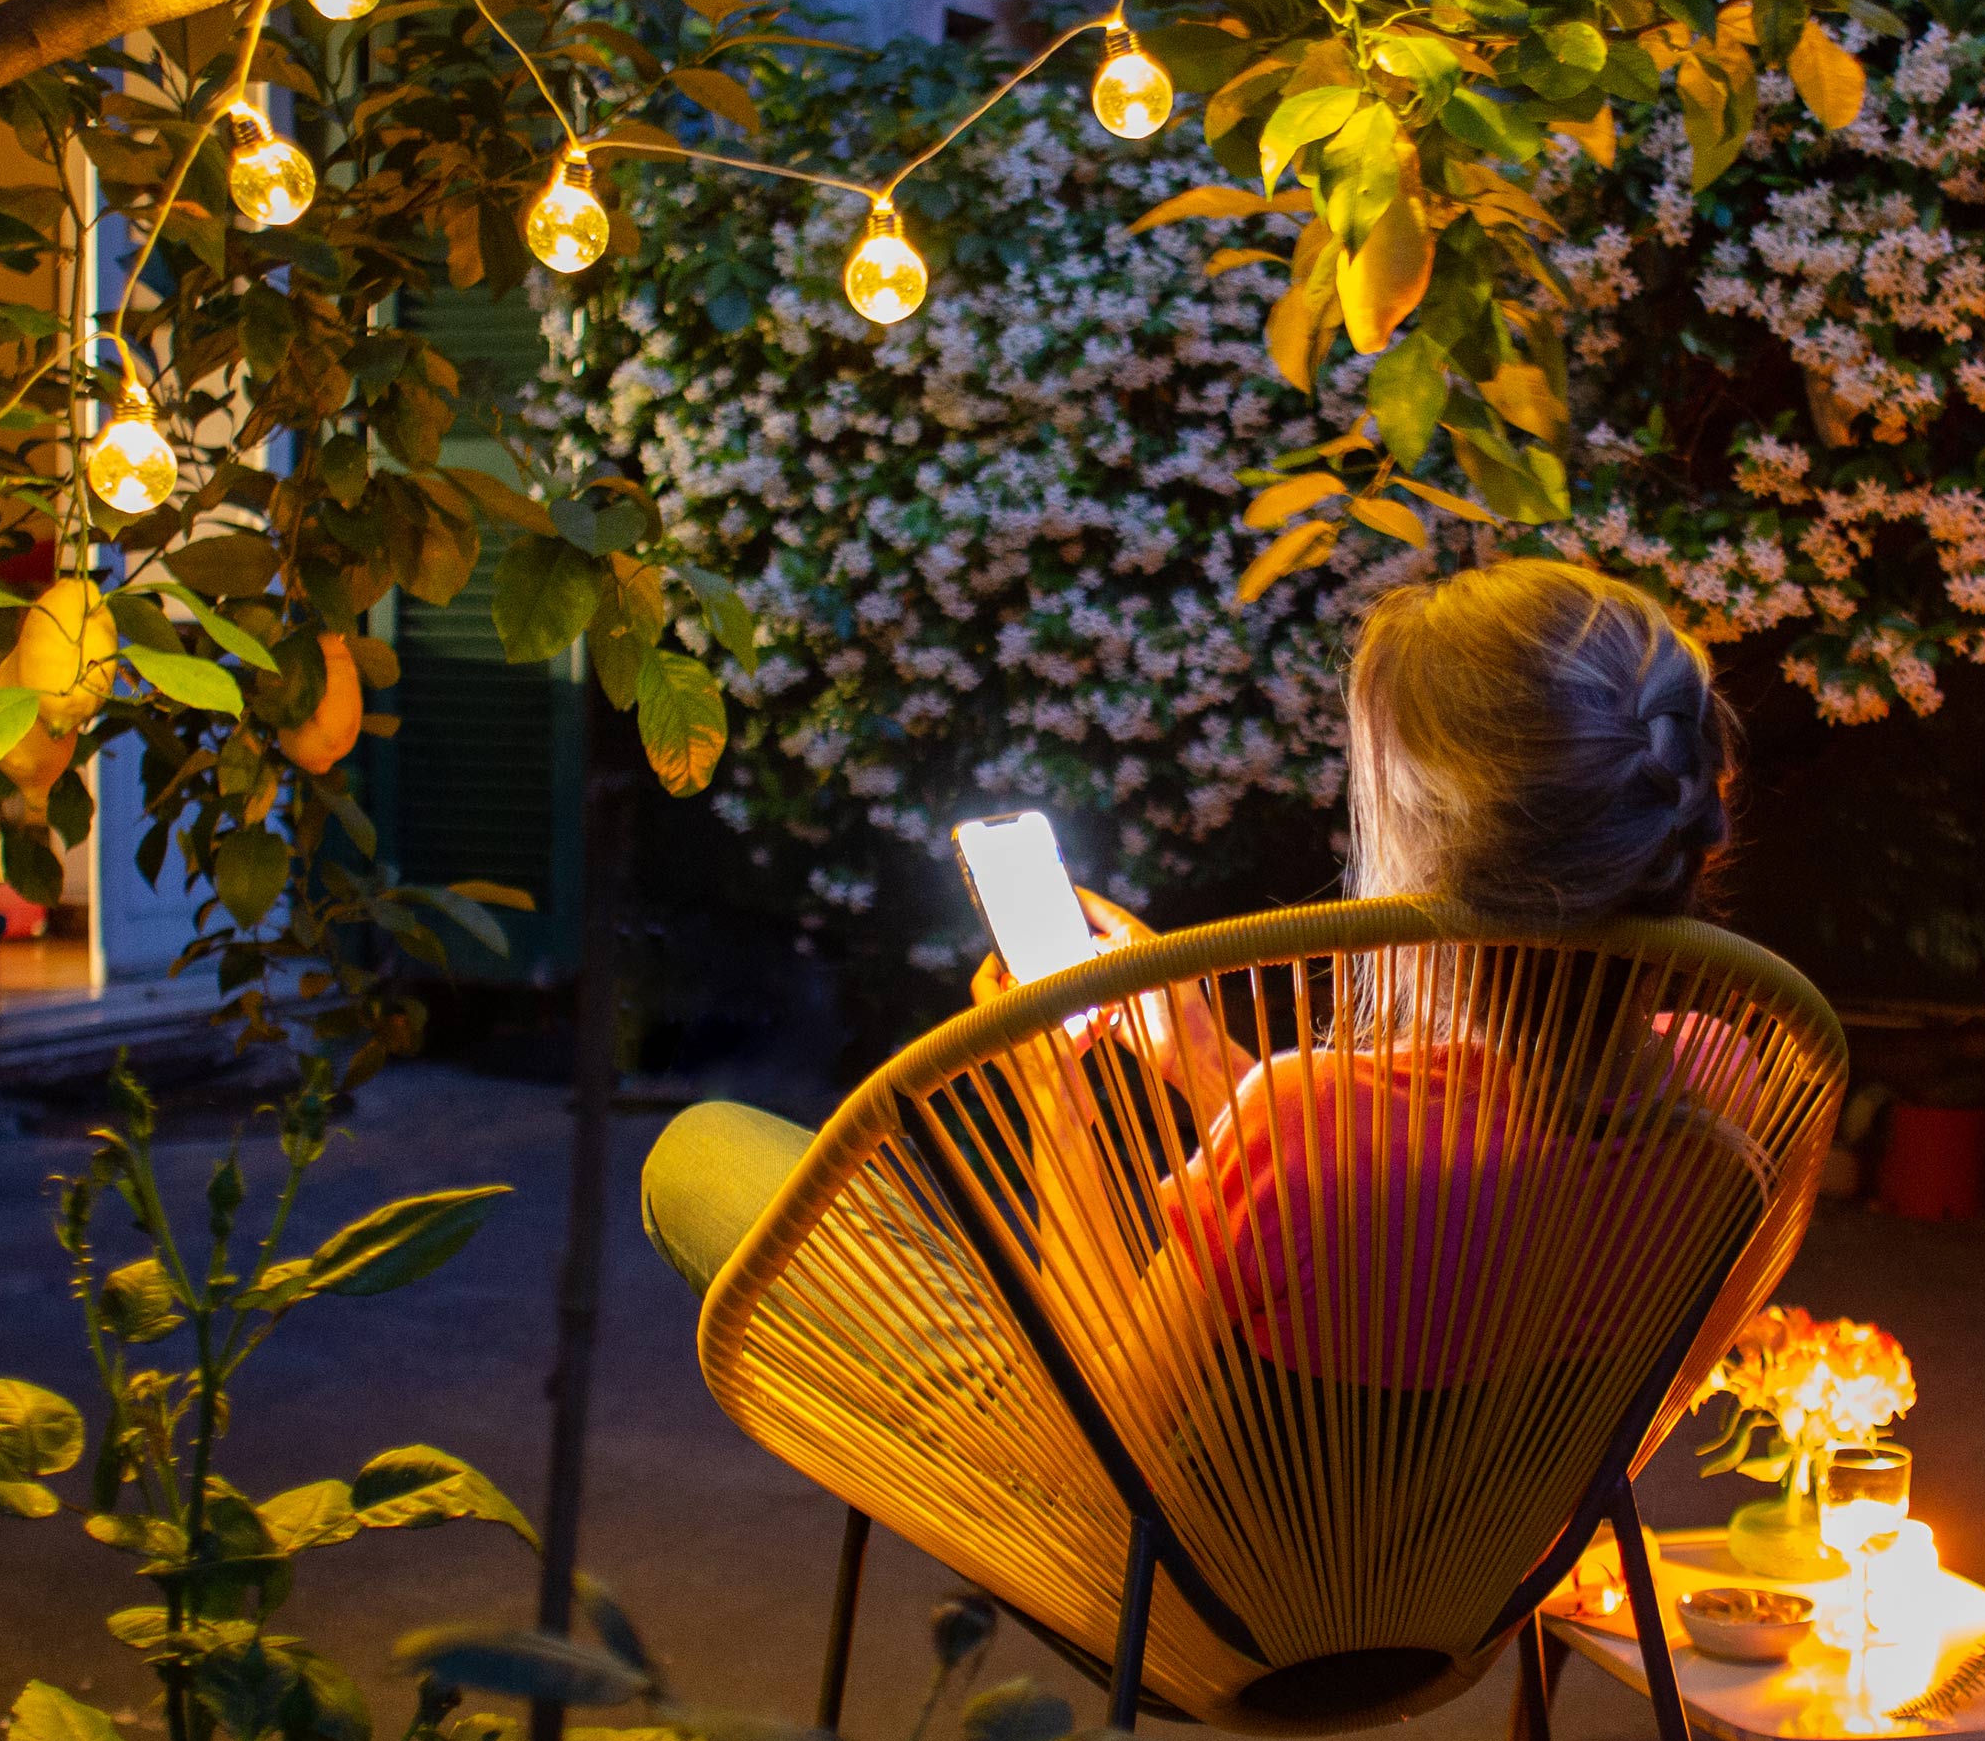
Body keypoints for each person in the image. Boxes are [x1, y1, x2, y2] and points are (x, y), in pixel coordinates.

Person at [638, 558, 1745, 1360]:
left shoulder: (1313, 1124)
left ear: (1432, 842)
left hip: (1180, 1570)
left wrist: (1055, 1097)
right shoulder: (1727, 1091)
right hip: (1470, 1559)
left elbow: (1101, 1427)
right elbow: (1396, 1191)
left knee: (703, 1154)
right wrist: (1205, 1058)